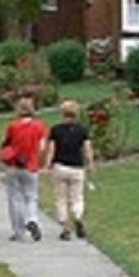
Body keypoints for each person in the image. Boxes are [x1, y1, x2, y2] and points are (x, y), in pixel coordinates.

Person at [42, 100, 95, 240]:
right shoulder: (82, 130)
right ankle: (78, 217)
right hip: (77, 167)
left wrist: (47, 166)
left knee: (61, 199)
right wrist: (90, 165)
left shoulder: (56, 130)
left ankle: (65, 228)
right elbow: (87, 150)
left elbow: (51, 150)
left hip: (60, 167)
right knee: (77, 198)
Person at [0, 97, 48, 241]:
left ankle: (18, 231)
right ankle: (32, 219)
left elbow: (6, 143)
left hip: (13, 165)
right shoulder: (39, 126)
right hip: (31, 165)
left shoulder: (13, 126)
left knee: (15, 198)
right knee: (31, 196)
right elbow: (42, 147)